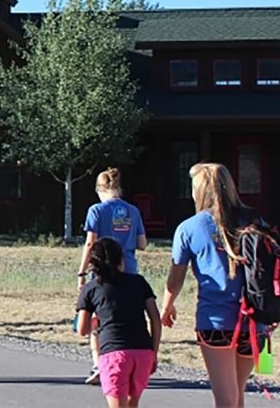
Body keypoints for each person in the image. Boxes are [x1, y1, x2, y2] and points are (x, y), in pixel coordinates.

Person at [162, 163, 270, 408]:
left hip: (216, 321)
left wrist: (167, 306)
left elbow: (175, 276)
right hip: (256, 320)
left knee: (225, 398)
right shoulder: (254, 219)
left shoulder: (189, 228)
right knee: (237, 394)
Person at [78, 167, 148, 384]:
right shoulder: (133, 211)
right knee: (127, 317)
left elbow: (91, 242)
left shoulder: (96, 210)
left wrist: (82, 271)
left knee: (97, 320)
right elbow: (142, 243)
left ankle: (99, 363)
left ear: (100, 188)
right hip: (128, 269)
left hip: (102, 272)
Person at [76, 238, 162, 408]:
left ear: (93, 263)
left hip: (113, 354)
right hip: (143, 352)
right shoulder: (139, 282)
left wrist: (96, 324)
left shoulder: (91, 289)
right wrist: (154, 351)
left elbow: (82, 329)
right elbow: (155, 318)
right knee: (133, 403)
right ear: (120, 260)